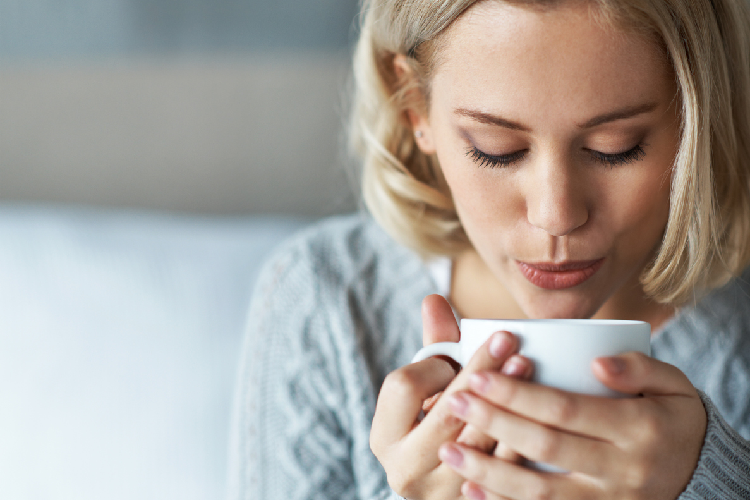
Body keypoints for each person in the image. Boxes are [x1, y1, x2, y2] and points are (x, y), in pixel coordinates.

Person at [227, 0, 750, 499]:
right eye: (495, 151)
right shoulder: (327, 297)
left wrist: (711, 482)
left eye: (614, 148)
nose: (556, 215)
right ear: (414, 111)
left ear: (697, 117)